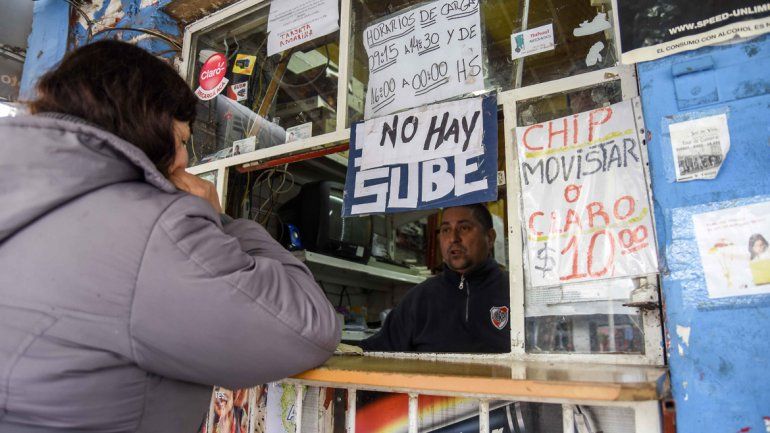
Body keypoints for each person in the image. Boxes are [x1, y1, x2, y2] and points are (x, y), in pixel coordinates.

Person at [0, 40, 340, 432]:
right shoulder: (153, 230)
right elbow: (308, 328)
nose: (184, 160)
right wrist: (223, 221)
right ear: (147, 121)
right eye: (181, 140)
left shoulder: (24, 197)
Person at [359, 204, 510, 353]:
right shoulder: (419, 298)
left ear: (490, 238)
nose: (453, 238)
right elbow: (374, 350)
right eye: (446, 230)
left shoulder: (514, 292)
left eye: (464, 228)